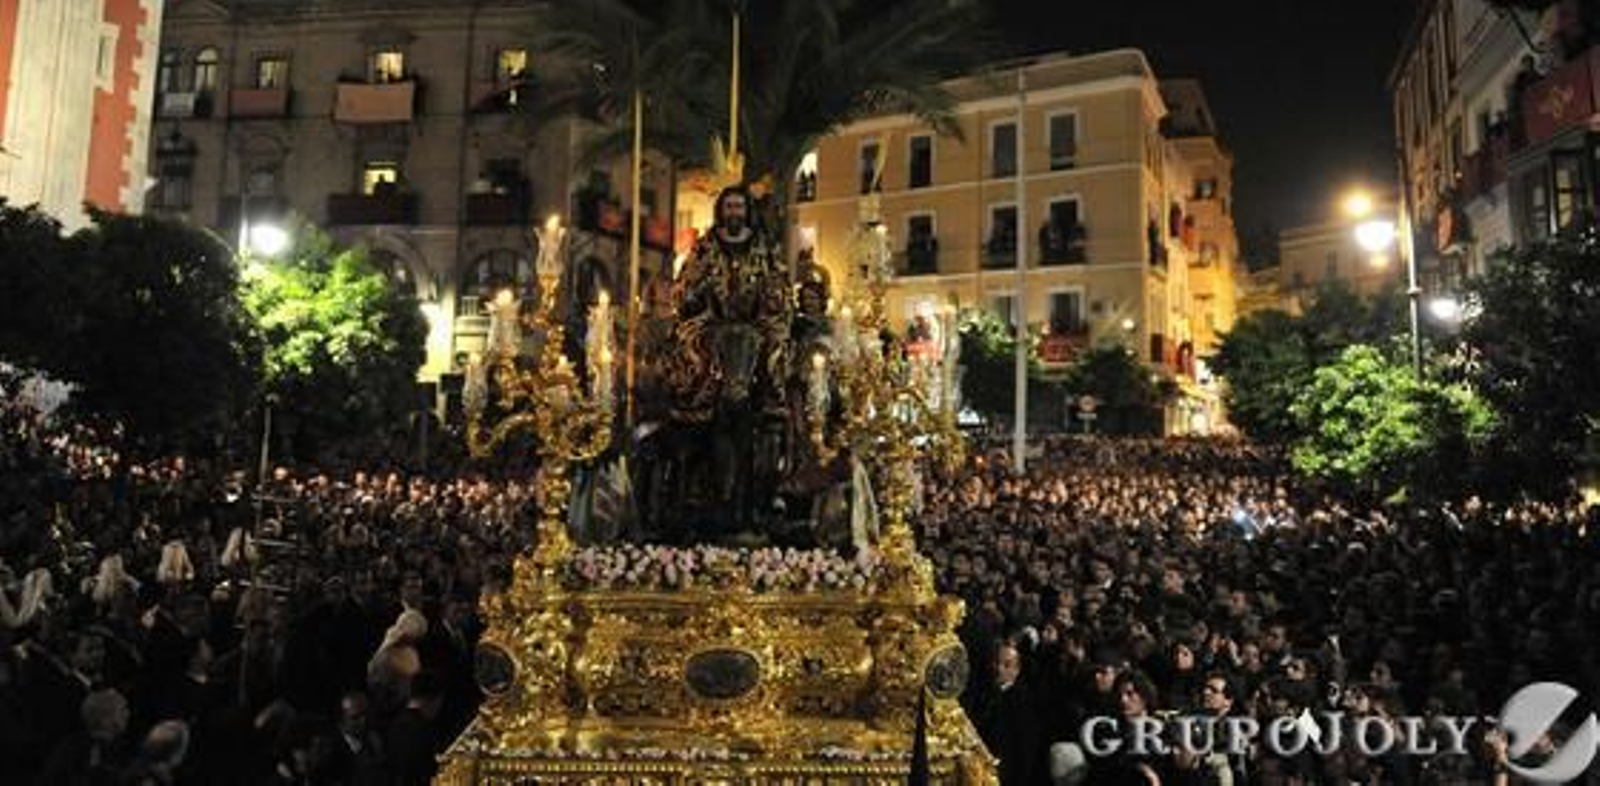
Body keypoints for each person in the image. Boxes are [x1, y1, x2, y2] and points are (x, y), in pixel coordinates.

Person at [659, 184, 794, 540]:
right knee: (690, 344)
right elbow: (687, 284)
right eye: (729, 206)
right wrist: (694, 294)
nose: (734, 212)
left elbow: (777, 285)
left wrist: (769, 303)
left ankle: (772, 398)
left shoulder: (763, 246)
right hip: (712, 322)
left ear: (746, 211)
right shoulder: (706, 246)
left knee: (775, 345)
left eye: (739, 206)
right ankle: (694, 399)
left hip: (755, 323)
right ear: (722, 211)